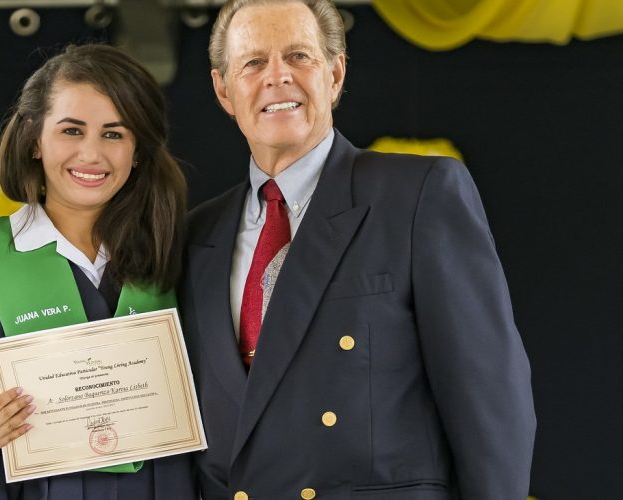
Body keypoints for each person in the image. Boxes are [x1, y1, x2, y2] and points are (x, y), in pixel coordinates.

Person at [178, 1, 537, 499]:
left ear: (336, 72)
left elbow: (492, 405)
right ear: (224, 89)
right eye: (254, 62)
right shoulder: (196, 236)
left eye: (299, 56)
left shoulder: (418, 196)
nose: (277, 77)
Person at [0, 44, 196, 499]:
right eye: (71, 130)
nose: (91, 154)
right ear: (34, 139)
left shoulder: (181, 251)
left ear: (138, 150)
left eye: (114, 134)